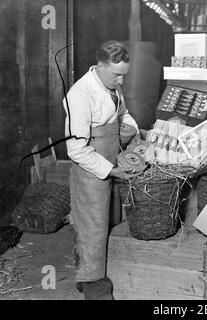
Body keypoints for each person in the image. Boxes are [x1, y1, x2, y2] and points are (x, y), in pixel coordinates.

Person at [63, 40, 138, 300]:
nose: (121, 81)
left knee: (112, 222)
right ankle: (97, 291)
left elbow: (123, 115)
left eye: (124, 75)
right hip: (91, 171)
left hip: (112, 158)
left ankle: (93, 268)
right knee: (93, 231)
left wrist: (134, 132)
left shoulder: (112, 86)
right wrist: (111, 170)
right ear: (100, 66)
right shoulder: (80, 94)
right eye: (117, 74)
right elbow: (76, 150)